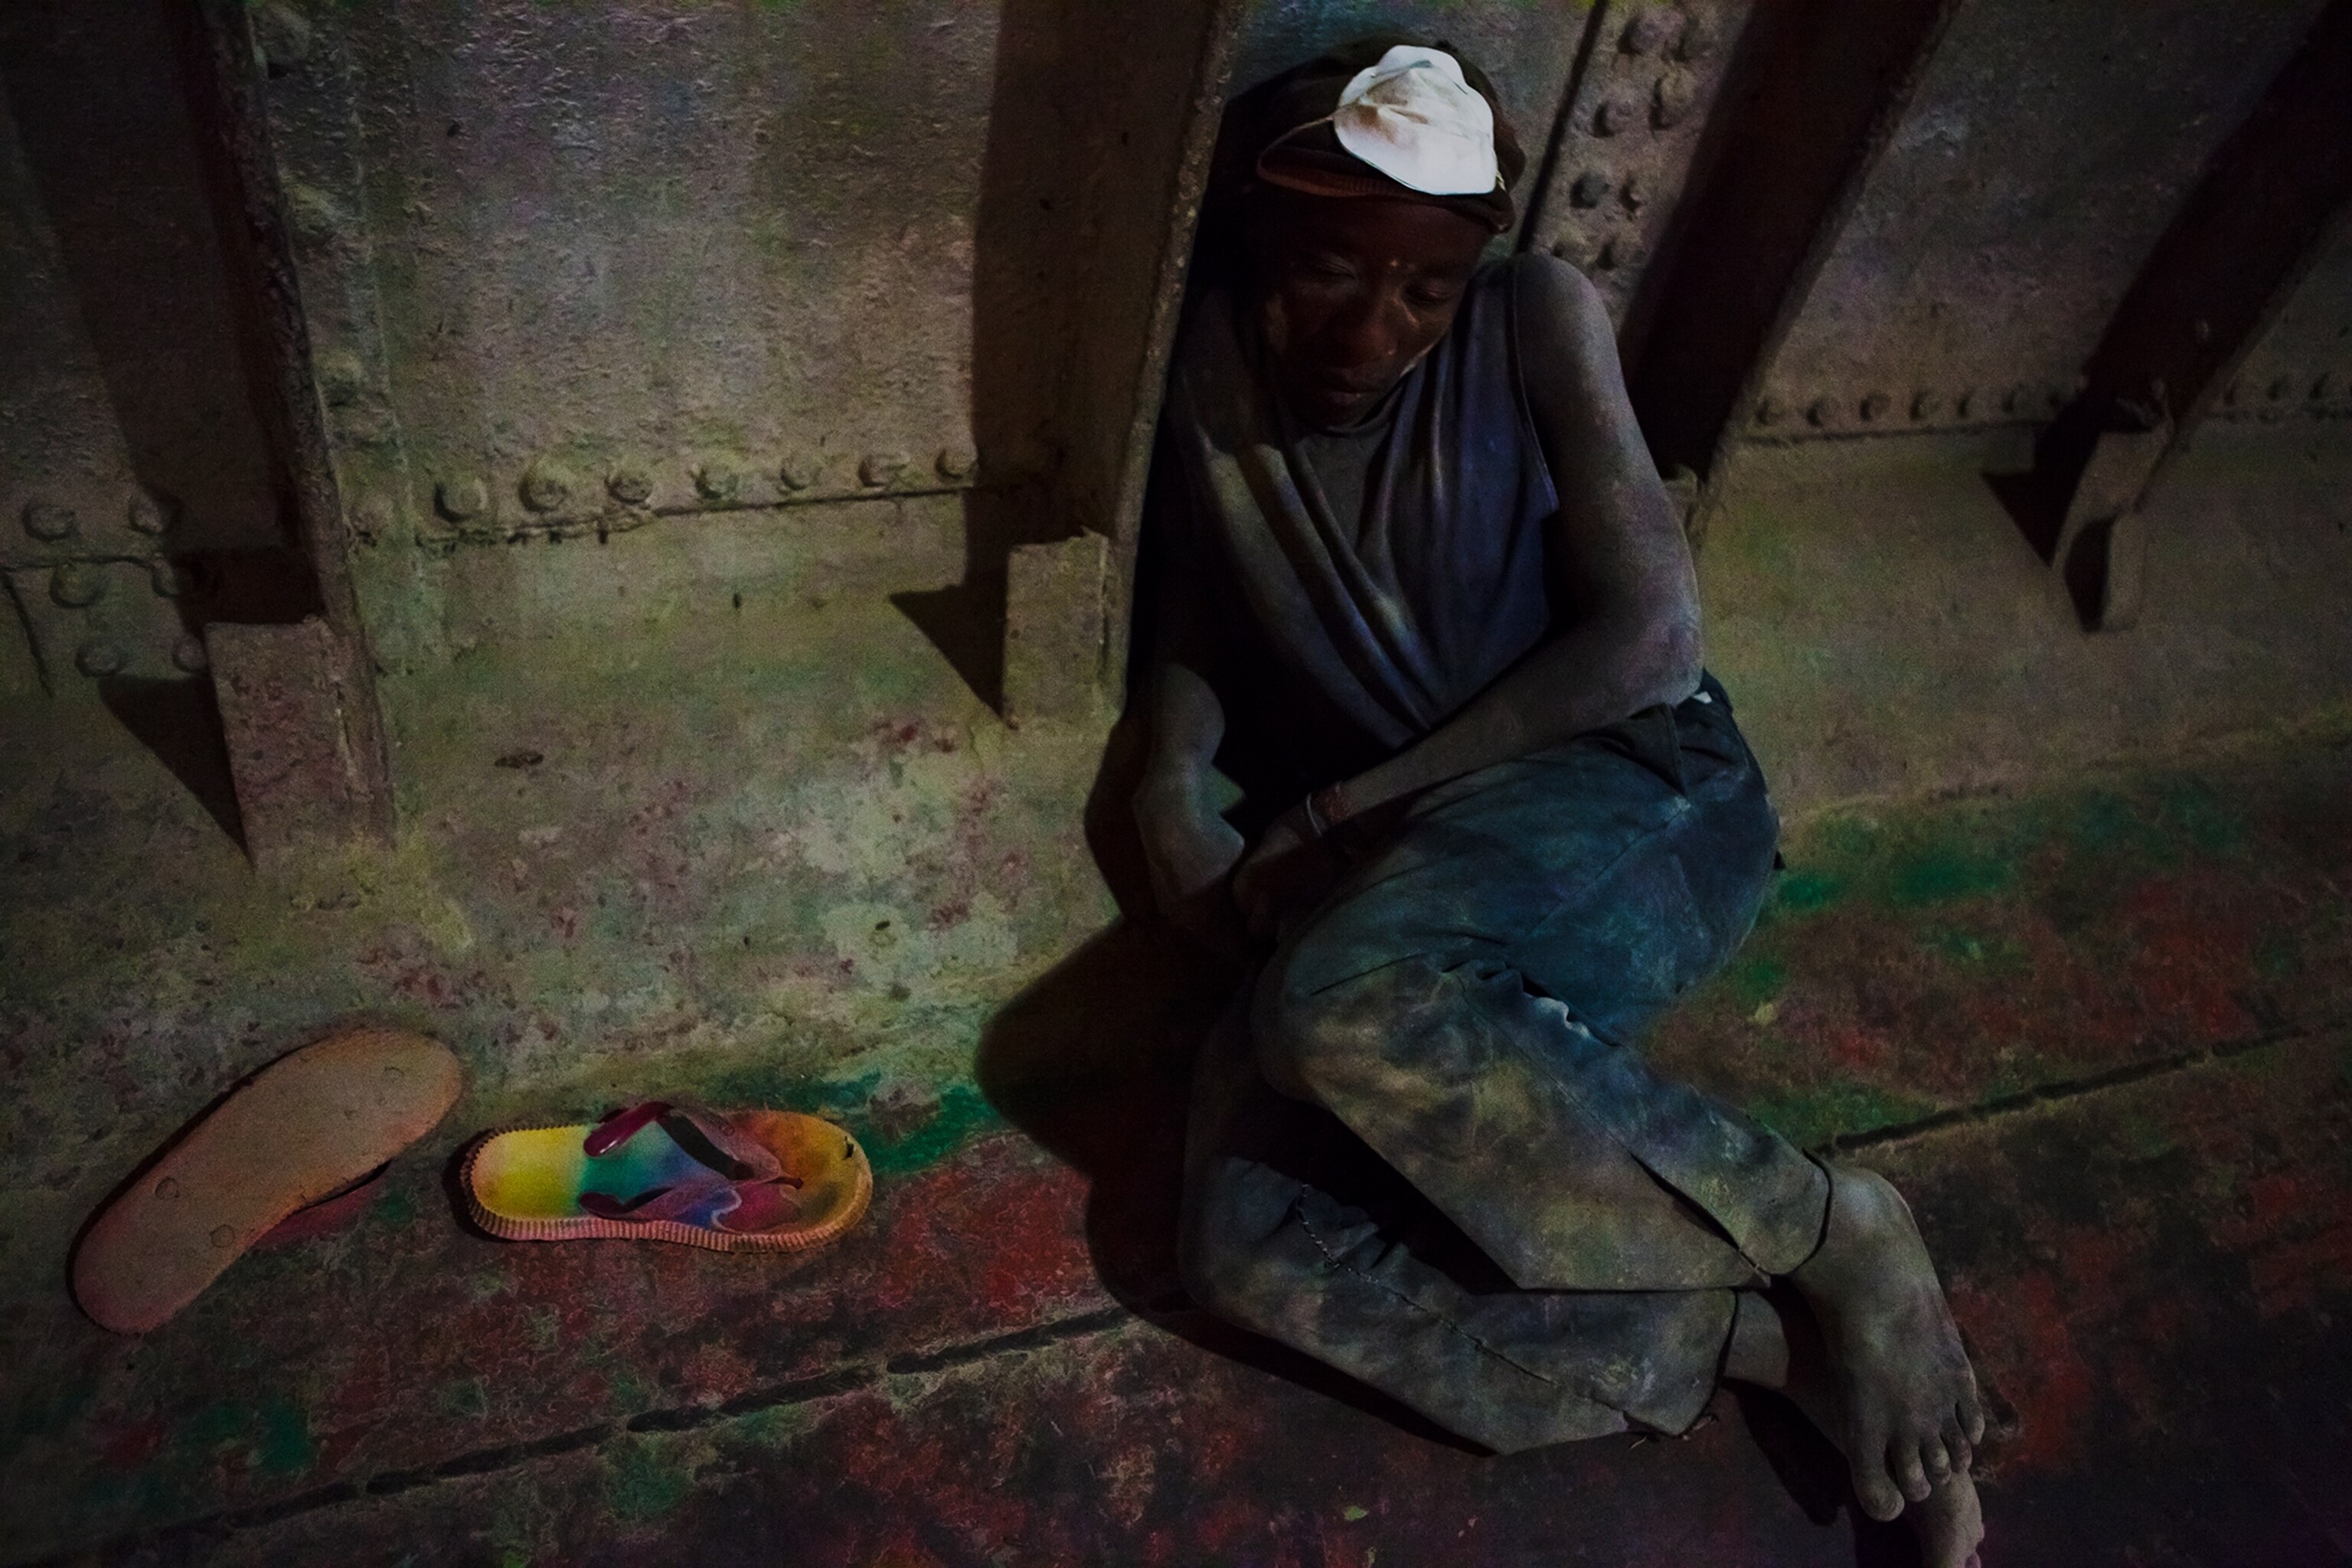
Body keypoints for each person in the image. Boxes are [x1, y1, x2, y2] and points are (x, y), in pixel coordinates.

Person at [1130, 37, 1988, 1567]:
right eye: (1333, 268)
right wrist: (1162, 777)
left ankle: (1825, 1226)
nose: (1373, 329)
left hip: (1635, 793)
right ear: (1268, 241)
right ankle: (1768, 1351)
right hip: (1414, 868)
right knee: (1247, 1244)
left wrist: (1331, 817)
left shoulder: (1537, 316)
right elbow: (1205, 602)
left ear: (1474, 279)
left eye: (1422, 291)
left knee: (1336, 1005)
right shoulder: (1203, 370)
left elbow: (1652, 641)